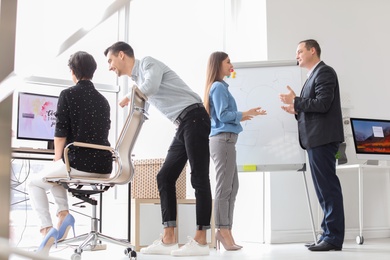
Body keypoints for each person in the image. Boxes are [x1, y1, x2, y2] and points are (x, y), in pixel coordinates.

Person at [104, 41, 212, 256]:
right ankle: (169, 238)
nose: (109, 67)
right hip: (184, 124)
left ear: (122, 55)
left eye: (110, 60)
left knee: (199, 177)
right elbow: (143, 109)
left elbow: (150, 87)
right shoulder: (138, 79)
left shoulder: (147, 65)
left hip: (195, 118)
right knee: (164, 177)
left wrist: (129, 95)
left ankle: (201, 242)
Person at [28, 51, 112, 255]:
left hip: (79, 163)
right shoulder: (104, 101)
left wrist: (58, 157)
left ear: (72, 72)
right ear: (93, 72)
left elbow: (60, 133)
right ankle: (64, 214)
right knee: (56, 174)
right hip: (104, 165)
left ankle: (48, 229)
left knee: (34, 182)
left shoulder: (67, 94)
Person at [279, 39, 345, 251]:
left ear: (312, 50)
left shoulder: (324, 72)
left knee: (328, 189)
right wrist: (297, 110)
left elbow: (324, 104)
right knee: (323, 189)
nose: (296, 55)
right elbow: (315, 107)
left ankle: (333, 238)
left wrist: (297, 101)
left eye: (299, 51)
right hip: (316, 140)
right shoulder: (311, 77)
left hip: (323, 140)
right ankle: (327, 234)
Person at [203, 51, 266, 250]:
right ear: (218, 65)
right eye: (228, 62)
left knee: (232, 186)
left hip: (226, 141)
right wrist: (243, 114)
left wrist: (242, 116)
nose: (232, 65)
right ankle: (222, 230)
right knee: (225, 187)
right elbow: (223, 114)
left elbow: (224, 115)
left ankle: (226, 229)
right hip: (223, 141)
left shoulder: (218, 87)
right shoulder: (219, 86)